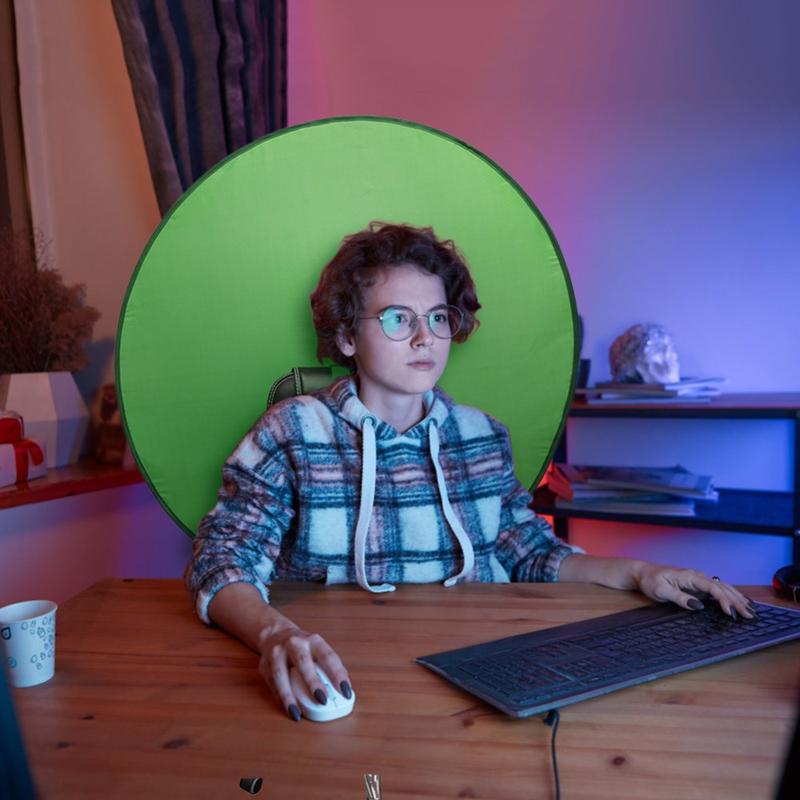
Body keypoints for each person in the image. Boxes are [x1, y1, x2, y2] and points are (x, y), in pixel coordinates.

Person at [185, 221, 754, 722]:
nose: (425, 337)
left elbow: (529, 552)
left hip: (477, 677)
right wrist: (276, 634)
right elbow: (222, 559)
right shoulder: (292, 431)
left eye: (438, 317)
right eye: (398, 318)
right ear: (346, 335)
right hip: (343, 668)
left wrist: (640, 572)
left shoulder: (481, 435)